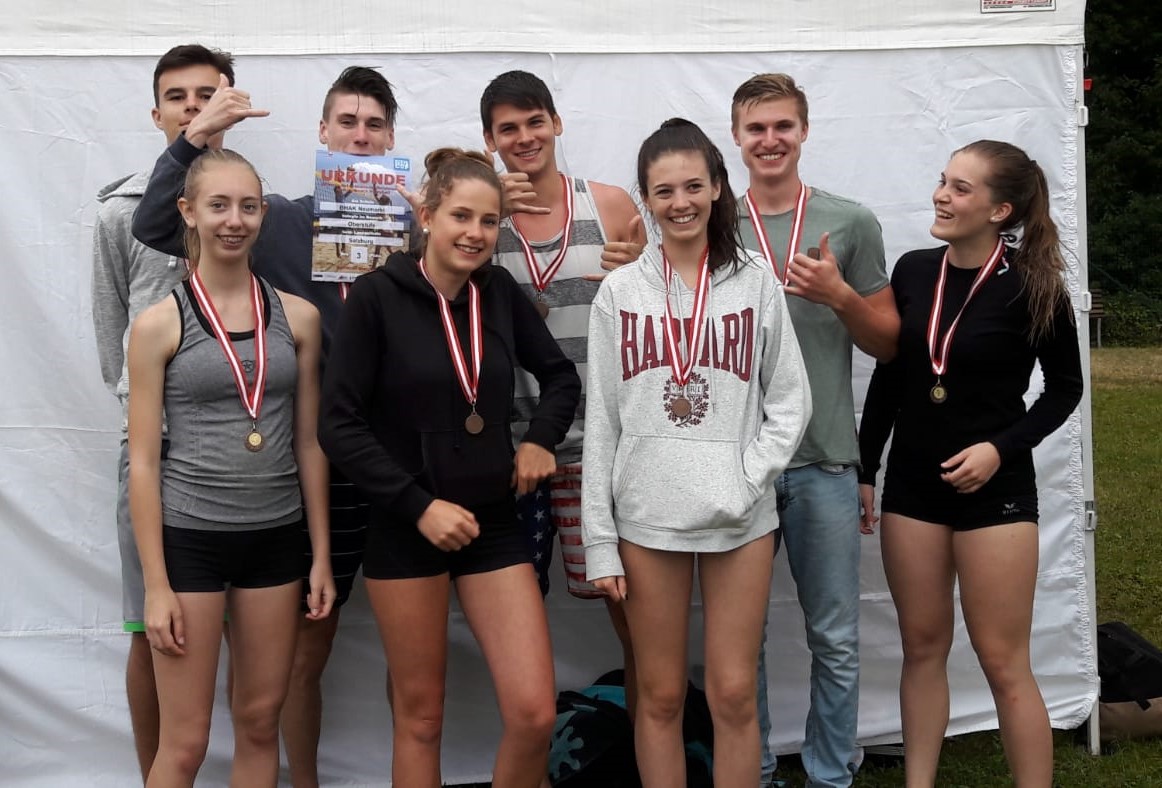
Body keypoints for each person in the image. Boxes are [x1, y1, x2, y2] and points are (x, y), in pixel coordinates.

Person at [132, 65, 398, 787]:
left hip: (382, 466)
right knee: (274, 678)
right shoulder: (279, 217)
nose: (360, 136)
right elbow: (158, 220)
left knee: (305, 687)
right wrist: (196, 137)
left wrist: (457, 210)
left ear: (392, 139)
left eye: (375, 125)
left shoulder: (416, 221)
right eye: (347, 122)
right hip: (258, 488)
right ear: (322, 132)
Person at [318, 148, 580, 787]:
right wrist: (418, 505)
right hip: (408, 527)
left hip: (492, 522)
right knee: (421, 718)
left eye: (489, 222)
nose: (475, 233)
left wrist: (540, 438)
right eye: (462, 216)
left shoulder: (499, 294)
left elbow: (560, 377)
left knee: (533, 712)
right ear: (428, 217)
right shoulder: (375, 298)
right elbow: (337, 426)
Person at [582, 118, 812, 787]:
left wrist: (747, 476)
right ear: (646, 201)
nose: (679, 201)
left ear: (717, 188)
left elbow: (790, 400)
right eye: (663, 190)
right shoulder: (620, 294)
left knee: (735, 694)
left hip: (739, 516)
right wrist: (600, 539)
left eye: (692, 185)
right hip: (648, 517)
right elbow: (602, 423)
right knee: (658, 696)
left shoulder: (755, 284)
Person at [858, 140, 1083, 788]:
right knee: (922, 649)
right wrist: (867, 468)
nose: (941, 195)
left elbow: (1065, 388)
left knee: (1002, 659)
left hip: (996, 494)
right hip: (913, 491)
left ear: (999, 208)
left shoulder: (1034, 286)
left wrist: (1000, 449)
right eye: (942, 181)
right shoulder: (912, 270)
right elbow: (892, 374)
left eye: (960, 188)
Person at [127, 149, 335, 787]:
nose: (233, 220)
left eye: (247, 206)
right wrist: (155, 585)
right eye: (218, 205)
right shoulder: (159, 325)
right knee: (185, 742)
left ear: (263, 214)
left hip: (274, 542)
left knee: (257, 722)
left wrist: (320, 554)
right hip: (190, 542)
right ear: (188, 212)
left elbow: (309, 444)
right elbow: (140, 460)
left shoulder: (298, 317)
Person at [731, 73, 901, 788]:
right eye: (755, 128)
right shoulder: (709, 221)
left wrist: (837, 295)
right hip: (733, 465)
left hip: (824, 459)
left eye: (782, 127)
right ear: (736, 137)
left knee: (833, 636)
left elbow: (888, 343)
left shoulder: (849, 222)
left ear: (802, 132)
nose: (769, 140)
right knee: (743, 643)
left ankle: (832, 775)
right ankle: (756, 770)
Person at [479, 68, 646, 709]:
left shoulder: (607, 204)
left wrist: (643, 274)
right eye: (508, 129)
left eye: (534, 122)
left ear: (556, 123)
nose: (524, 138)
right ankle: (532, 753)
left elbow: (665, 312)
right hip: (509, 449)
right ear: (490, 140)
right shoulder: (480, 217)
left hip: (600, 447)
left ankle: (645, 743)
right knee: (511, 614)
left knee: (625, 600)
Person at [90, 43, 235, 782]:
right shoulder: (121, 210)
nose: (192, 107)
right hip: (159, 444)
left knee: (250, 627)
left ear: (232, 101)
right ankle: (157, 773)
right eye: (177, 97)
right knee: (153, 629)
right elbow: (111, 328)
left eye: (206, 93)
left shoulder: (250, 204)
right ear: (157, 113)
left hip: (249, 446)